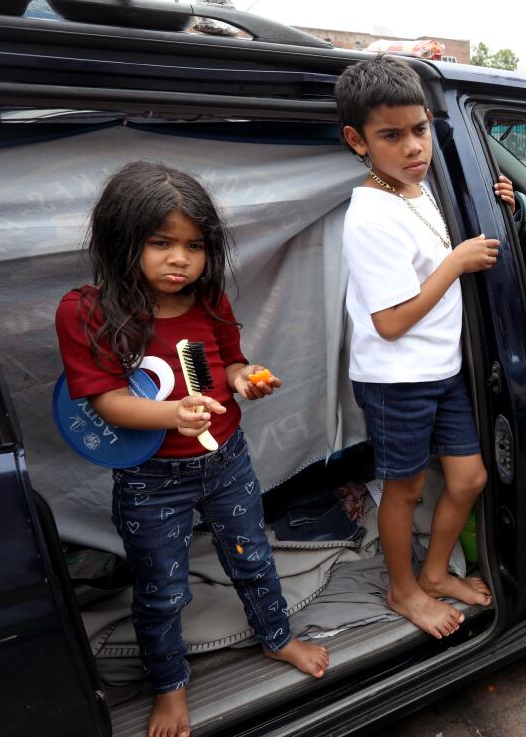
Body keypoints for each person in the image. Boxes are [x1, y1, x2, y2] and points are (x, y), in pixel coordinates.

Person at [54, 161, 330, 737]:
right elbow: (105, 401)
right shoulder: (87, 312)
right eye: (160, 242)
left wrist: (246, 378)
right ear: (119, 238)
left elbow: (229, 363)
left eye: (194, 246)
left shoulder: (207, 302)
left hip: (227, 462)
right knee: (161, 589)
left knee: (253, 557)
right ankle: (169, 684)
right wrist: (171, 414)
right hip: (150, 479)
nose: (180, 259)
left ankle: (278, 637)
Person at [335, 55, 513, 640]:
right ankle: (403, 588)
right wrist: (455, 265)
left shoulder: (415, 190)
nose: (413, 147)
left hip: (442, 368)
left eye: (419, 130)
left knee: (468, 479)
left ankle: (433, 574)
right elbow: (389, 322)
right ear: (357, 141)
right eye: (392, 136)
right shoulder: (370, 216)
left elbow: (445, 230)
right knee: (406, 489)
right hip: (396, 377)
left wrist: (497, 202)